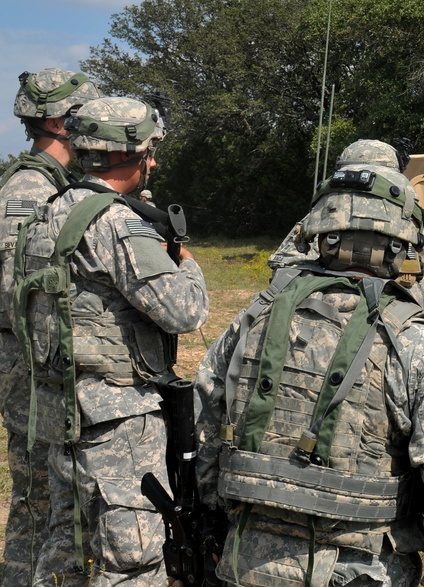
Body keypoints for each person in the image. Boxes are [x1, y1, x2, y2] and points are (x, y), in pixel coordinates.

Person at [194, 164, 424, 586]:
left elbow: (205, 418)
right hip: (361, 569)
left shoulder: (253, 319)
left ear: (320, 232)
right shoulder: (418, 344)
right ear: (403, 242)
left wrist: (214, 514)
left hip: (246, 560)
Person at [13, 96, 210, 586]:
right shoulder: (116, 222)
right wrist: (186, 262)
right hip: (117, 423)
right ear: (127, 154)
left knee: (64, 549)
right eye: (149, 152)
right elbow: (184, 311)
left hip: (61, 412)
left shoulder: (48, 213)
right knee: (131, 560)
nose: (153, 163)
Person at [0, 68, 102, 586]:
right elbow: (13, 292)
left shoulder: (54, 184)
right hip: (30, 371)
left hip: (40, 368)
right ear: (61, 122)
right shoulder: (28, 190)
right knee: (38, 500)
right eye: (84, 117)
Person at [267, 139, 424, 309]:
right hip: (384, 303)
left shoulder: (328, 204)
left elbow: (284, 262)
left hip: (317, 296)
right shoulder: (403, 202)